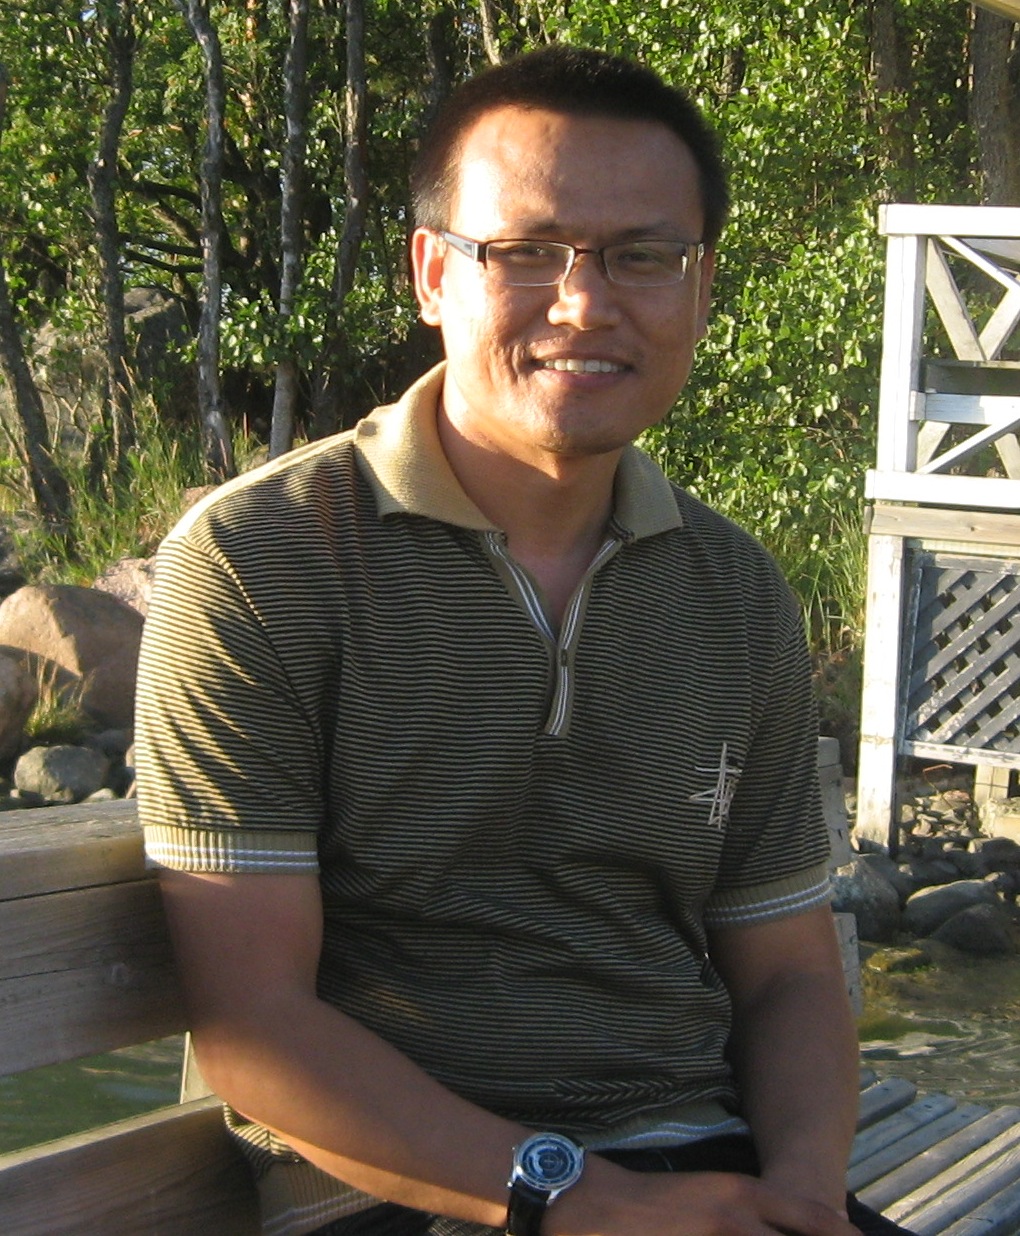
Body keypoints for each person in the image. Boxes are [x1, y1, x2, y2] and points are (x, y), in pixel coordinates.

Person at [135, 45, 911, 1236]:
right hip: (388, 1189)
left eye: (643, 255)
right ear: (431, 274)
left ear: (701, 287)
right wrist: (586, 1201)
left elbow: (792, 973)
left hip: (697, 1159)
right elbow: (254, 1023)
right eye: (528, 251)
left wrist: (806, 1196)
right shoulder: (262, 563)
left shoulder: (734, 591)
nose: (585, 302)